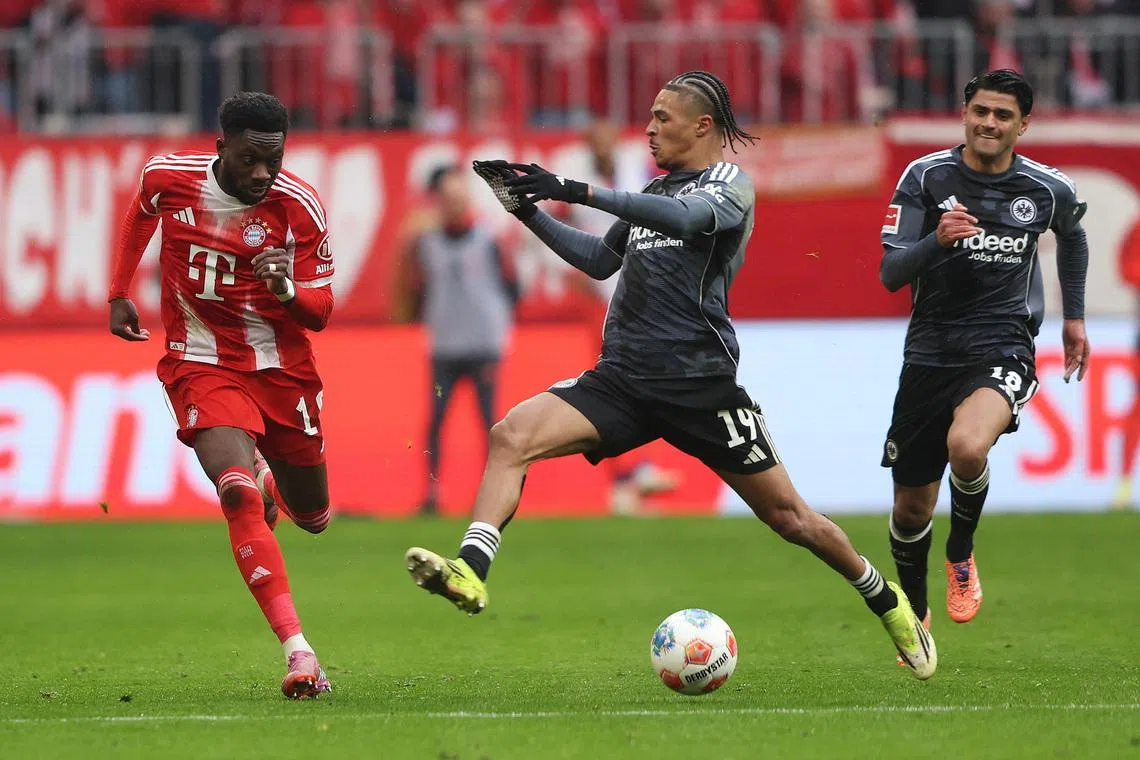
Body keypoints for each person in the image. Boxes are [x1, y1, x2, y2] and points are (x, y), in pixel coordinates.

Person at [404, 70, 937, 680]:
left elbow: (685, 223)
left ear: (702, 125)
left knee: (792, 519)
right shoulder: (657, 191)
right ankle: (471, 571)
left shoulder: (728, 185)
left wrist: (575, 188)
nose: (651, 128)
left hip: (700, 386)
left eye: (662, 117)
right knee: (511, 435)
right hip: (623, 379)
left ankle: (885, 599)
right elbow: (601, 260)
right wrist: (527, 210)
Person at [107, 91, 336, 699]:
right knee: (234, 492)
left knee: (312, 517)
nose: (263, 173)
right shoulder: (169, 179)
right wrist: (118, 289)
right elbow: (139, 213)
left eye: (274, 160)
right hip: (201, 361)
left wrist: (286, 289)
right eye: (250, 161)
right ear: (221, 149)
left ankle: (270, 476)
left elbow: (321, 313)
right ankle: (300, 653)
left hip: (282, 370)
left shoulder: (300, 206)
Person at [879, 69, 1090, 650]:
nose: (989, 123)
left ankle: (961, 551)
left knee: (968, 446)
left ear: (1024, 125)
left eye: (1002, 115)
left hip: (1002, 343)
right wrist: (936, 241)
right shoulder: (925, 178)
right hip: (928, 352)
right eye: (981, 112)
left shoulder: (1048, 189)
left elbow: (1072, 236)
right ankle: (915, 615)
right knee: (909, 509)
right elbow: (891, 272)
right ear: (964, 113)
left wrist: (1073, 317)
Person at [406, 164, 518, 515]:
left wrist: (497, 325)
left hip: (483, 344)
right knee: (437, 419)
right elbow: (414, 292)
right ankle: (433, 493)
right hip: (445, 346)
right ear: (437, 201)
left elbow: (513, 288)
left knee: (489, 423)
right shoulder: (425, 243)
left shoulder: (489, 240)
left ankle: (490, 494)